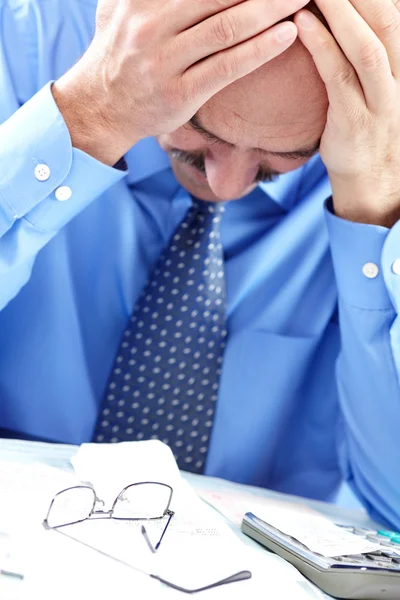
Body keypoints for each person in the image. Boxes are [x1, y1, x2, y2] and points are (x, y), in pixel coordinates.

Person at [1, 0, 400, 528]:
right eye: (194, 124)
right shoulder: (19, 42)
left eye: (285, 155)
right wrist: (90, 111)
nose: (226, 186)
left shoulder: (385, 138)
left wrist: (376, 215)